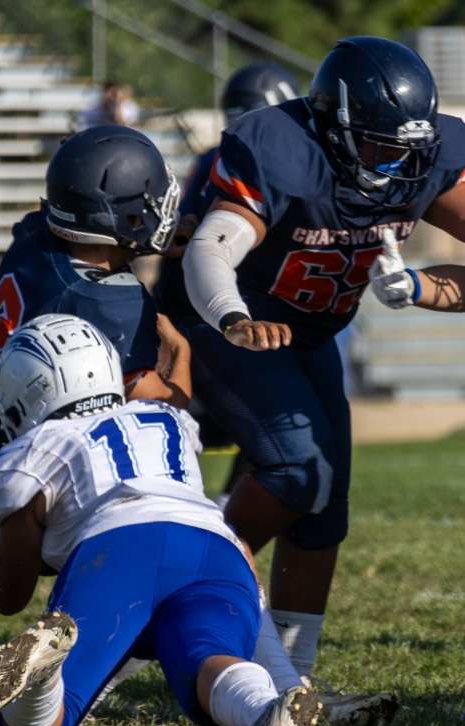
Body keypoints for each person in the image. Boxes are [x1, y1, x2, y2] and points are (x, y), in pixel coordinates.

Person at [169, 36, 465, 690]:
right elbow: (211, 250)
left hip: (311, 335)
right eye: (382, 145)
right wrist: (233, 317)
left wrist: (420, 286)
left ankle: (292, 681)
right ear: (336, 128)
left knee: (326, 509)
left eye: (408, 147)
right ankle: (172, 577)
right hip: (231, 323)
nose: (399, 163)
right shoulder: (283, 151)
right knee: (299, 471)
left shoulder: (426, 152)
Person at [0, 313, 322, 726]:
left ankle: (44, 675)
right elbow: (177, 390)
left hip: (120, 551)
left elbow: (8, 595)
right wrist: (183, 353)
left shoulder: (38, 449)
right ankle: (263, 713)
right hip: (215, 549)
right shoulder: (165, 417)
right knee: (206, 657)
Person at [0, 124, 195, 468]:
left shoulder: (33, 235)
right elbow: (165, 410)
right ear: (132, 217)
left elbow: (90, 242)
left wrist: (153, 238)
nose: (165, 213)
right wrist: (183, 352)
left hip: (2, 444)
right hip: (56, 466)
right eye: (152, 206)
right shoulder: (109, 305)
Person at [157, 62, 304, 501]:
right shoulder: (238, 160)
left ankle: (210, 502)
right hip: (210, 314)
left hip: (200, 306)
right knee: (271, 425)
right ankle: (202, 508)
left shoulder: (214, 157)